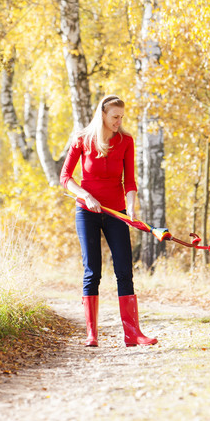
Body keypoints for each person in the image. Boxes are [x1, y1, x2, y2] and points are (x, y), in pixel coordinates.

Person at [60, 94, 158, 348]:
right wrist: (85, 195)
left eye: (121, 117)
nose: (118, 121)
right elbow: (65, 178)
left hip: (117, 212)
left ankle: (132, 333)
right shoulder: (82, 139)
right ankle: (91, 334)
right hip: (87, 211)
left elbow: (130, 181)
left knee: (124, 269)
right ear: (102, 114)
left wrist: (132, 209)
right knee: (92, 270)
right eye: (115, 117)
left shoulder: (126, 141)